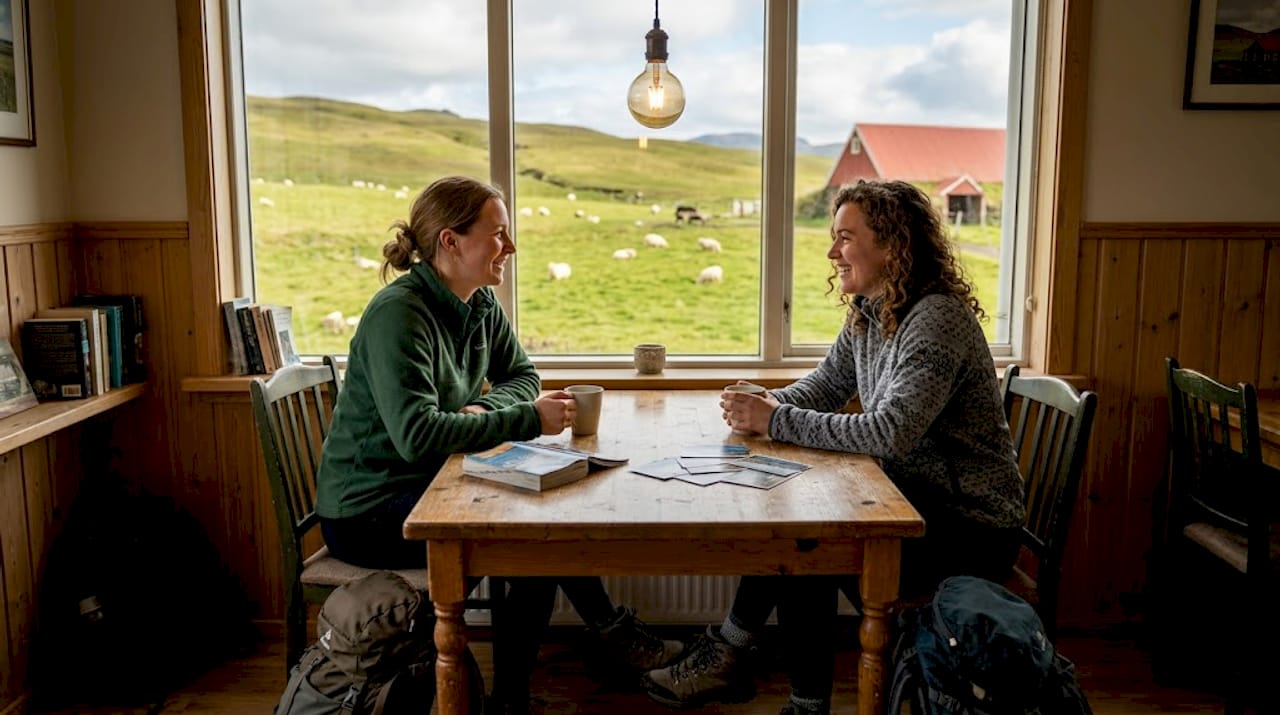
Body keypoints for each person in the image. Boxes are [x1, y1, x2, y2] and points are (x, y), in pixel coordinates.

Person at [642, 179, 1026, 715]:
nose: (831, 252)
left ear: (893, 245)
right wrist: (764, 402)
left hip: (970, 528)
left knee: (811, 544)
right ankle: (768, 679)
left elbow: (889, 432)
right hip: (914, 500)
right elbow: (825, 386)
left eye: (845, 237)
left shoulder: (935, 319)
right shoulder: (871, 310)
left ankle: (762, 677)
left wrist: (776, 420)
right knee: (803, 532)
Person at [314, 176, 682, 712]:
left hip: (428, 483)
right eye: (499, 234)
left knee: (540, 527)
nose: (510, 247)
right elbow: (419, 437)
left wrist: (487, 409)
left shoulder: (480, 302)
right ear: (450, 242)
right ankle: (567, 666)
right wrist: (524, 420)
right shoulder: (400, 313)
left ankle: (587, 651)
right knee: (530, 542)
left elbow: (523, 374)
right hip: (368, 509)